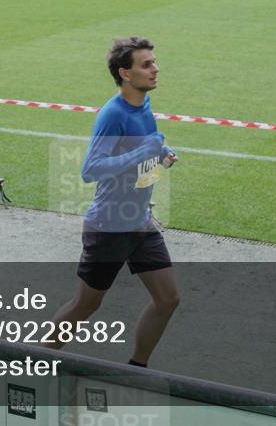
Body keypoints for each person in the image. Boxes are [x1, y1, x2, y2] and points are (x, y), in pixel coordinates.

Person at [46, 36, 179, 367]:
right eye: (146, 64)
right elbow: (91, 170)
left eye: (154, 62)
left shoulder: (143, 105)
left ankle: (137, 368)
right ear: (125, 73)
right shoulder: (112, 114)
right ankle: (32, 362)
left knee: (168, 299)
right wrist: (143, 152)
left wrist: (161, 152)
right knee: (85, 306)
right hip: (109, 226)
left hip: (139, 222)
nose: (155, 68)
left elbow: (142, 146)